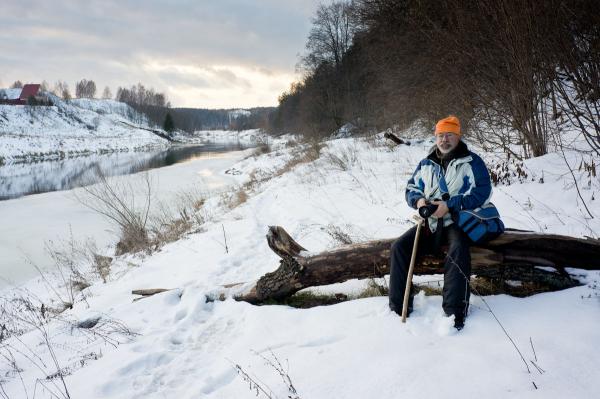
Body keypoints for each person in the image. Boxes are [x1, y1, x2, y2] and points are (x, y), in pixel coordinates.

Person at [388, 116, 492, 330]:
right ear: (435, 138)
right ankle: (398, 307)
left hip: (456, 221)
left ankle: (454, 313)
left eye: (449, 135)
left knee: (458, 249)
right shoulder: (426, 163)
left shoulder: (471, 162)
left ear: (458, 136)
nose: (444, 140)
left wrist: (450, 205)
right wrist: (419, 201)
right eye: (440, 136)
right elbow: (411, 188)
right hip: (430, 223)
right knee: (399, 247)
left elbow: (483, 192)